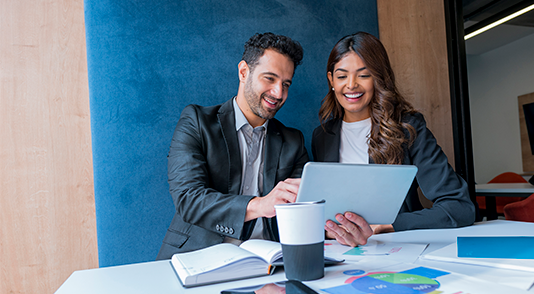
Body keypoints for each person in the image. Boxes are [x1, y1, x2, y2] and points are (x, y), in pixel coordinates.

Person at [312, 32, 475, 247]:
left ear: (379, 78)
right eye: (342, 76)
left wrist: (389, 225)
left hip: (396, 250)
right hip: (339, 253)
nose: (351, 85)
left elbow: (459, 207)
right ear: (331, 80)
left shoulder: (408, 128)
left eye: (364, 75)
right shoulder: (322, 136)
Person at [156, 33, 309, 259]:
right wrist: (260, 205)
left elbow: (303, 212)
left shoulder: (293, 141)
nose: (279, 93)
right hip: (195, 257)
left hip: (268, 263)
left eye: (285, 84)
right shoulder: (196, 121)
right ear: (243, 72)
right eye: (269, 78)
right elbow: (188, 199)